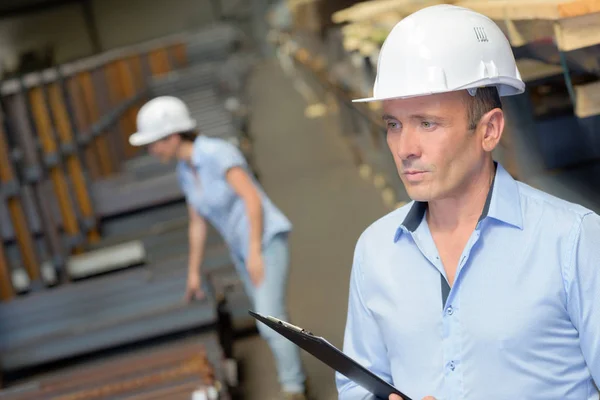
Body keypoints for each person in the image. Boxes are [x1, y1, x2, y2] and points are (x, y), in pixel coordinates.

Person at [336, 4, 599, 400]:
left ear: (489, 129)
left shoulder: (572, 240)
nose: (405, 148)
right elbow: (357, 385)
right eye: (393, 124)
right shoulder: (375, 251)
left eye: (427, 123)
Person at [128, 96, 308, 400]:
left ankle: (294, 389)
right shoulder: (185, 171)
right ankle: (295, 378)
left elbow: (252, 199)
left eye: (153, 142)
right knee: (273, 316)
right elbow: (197, 224)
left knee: (269, 322)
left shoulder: (216, 153)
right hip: (243, 248)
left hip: (264, 240)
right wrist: (193, 273)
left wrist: (254, 252)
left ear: (172, 136)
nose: (151, 150)